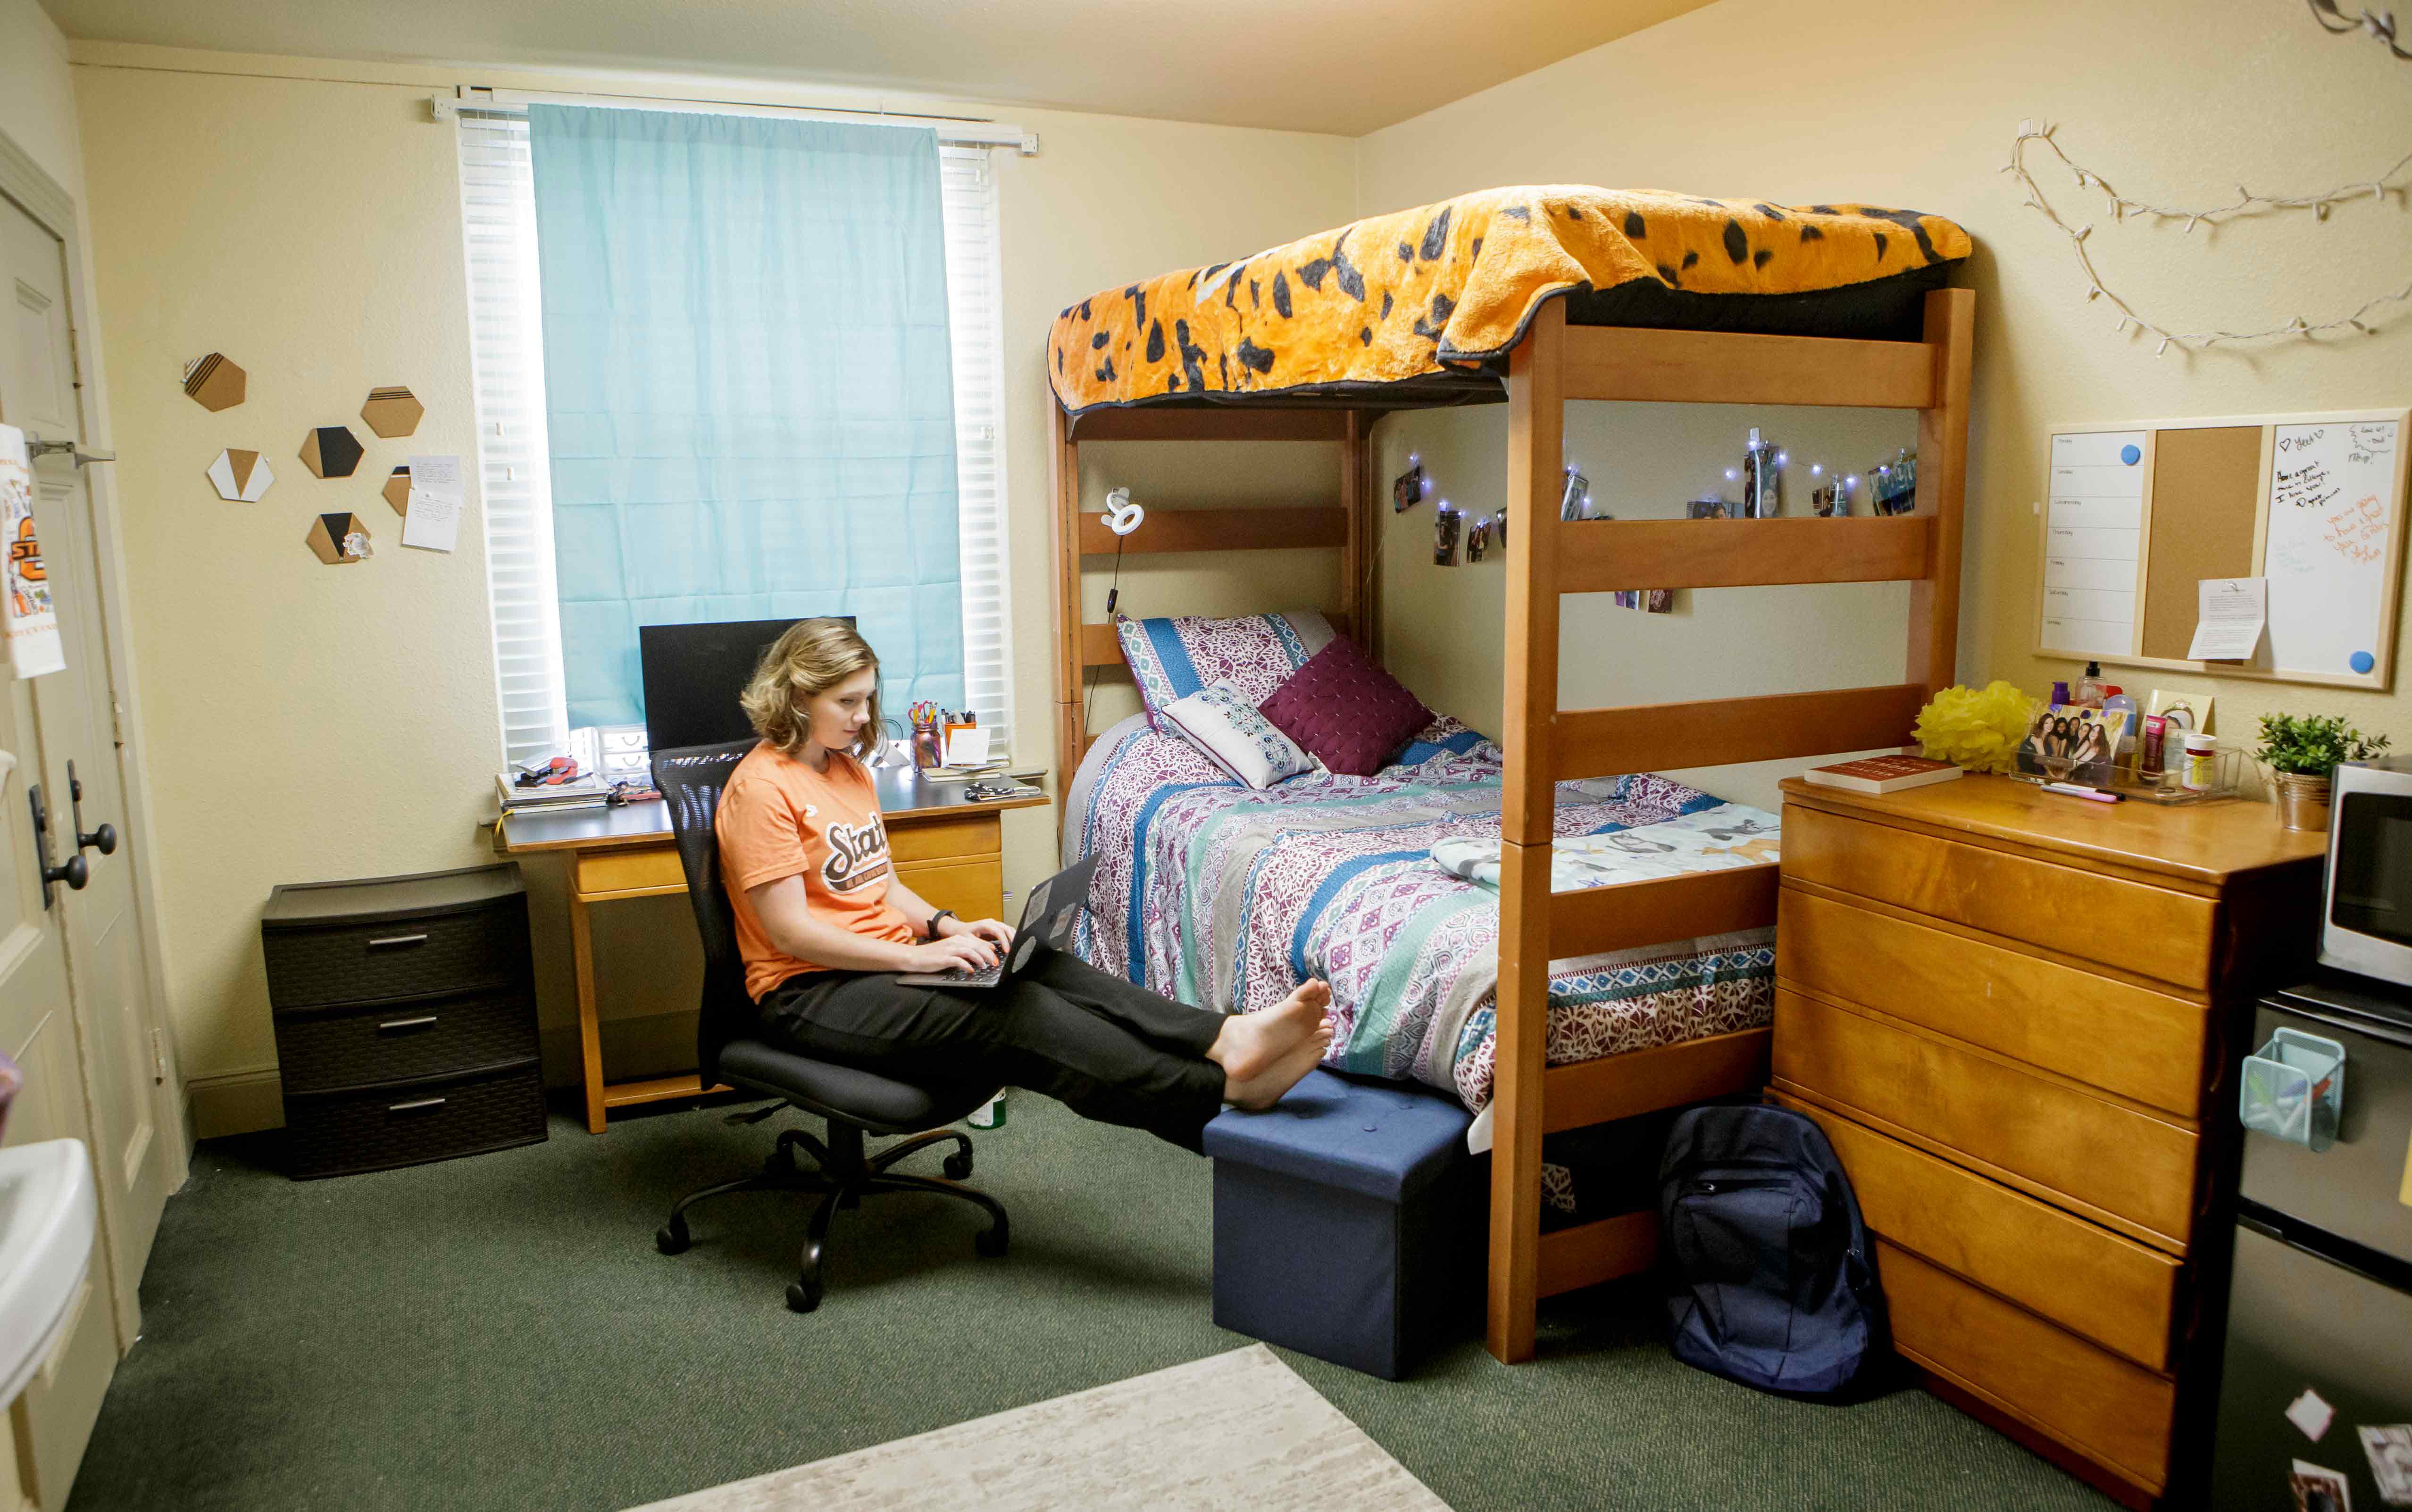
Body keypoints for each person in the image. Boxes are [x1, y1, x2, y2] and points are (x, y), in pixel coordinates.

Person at [715, 618, 1334, 1153]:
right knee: (1018, 1012)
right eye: (847, 702)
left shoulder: (846, 768)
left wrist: (948, 928)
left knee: (1037, 964)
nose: (862, 717)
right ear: (798, 695)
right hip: (809, 993)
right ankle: (1226, 1090)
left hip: (878, 970)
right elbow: (790, 931)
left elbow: (883, 888)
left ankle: (1225, 1037)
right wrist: (917, 955)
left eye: (868, 700)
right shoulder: (761, 789)